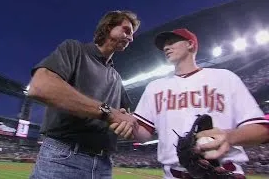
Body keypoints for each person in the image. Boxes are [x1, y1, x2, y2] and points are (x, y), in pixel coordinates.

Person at [111, 28, 269, 178]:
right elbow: (144, 135)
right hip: (174, 174)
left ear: (190, 44)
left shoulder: (225, 78)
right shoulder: (154, 87)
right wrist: (128, 124)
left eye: (172, 42)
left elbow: (261, 129)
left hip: (222, 171)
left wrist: (229, 136)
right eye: (164, 45)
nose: (166, 47)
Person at [28, 10, 140, 179]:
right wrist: (108, 112)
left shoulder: (116, 76)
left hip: (104, 164)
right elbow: (40, 86)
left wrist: (126, 124)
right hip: (64, 157)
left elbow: (125, 118)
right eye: (126, 30)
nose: (131, 38)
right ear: (109, 26)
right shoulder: (75, 49)